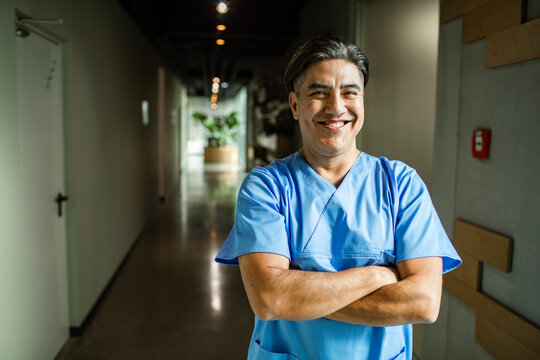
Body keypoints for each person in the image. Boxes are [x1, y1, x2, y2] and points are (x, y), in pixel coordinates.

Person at [215, 37, 461, 360]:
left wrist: (301, 296)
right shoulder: (266, 188)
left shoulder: (401, 185)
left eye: (349, 92)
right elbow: (270, 298)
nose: (336, 106)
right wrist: (378, 275)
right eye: (318, 92)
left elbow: (424, 302)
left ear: (362, 102)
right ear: (294, 104)